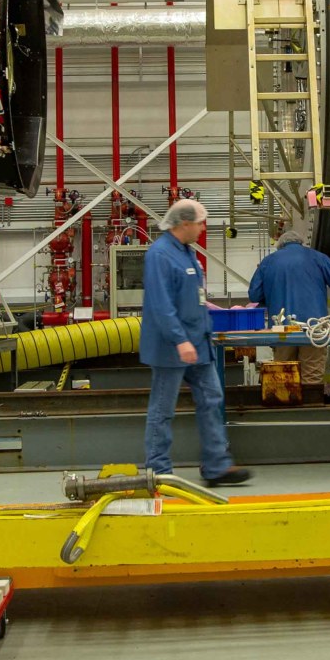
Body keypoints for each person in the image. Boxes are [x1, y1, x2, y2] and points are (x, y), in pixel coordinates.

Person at [138, 199, 252, 487]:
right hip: (171, 347)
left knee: (212, 400)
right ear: (183, 223)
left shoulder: (188, 253)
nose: (204, 228)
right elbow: (161, 305)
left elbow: (195, 299)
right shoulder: (160, 255)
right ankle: (157, 470)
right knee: (163, 409)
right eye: (200, 223)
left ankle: (216, 465)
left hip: (199, 344)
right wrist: (179, 340)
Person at [248, 227, 330, 402]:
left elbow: (254, 295)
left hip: (282, 332)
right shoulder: (318, 258)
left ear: (280, 246)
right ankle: (311, 413)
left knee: (284, 377)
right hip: (314, 330)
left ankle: (286, 417)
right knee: (311, 378)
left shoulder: (268, 262)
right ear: (301, 243)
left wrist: (273, 294)